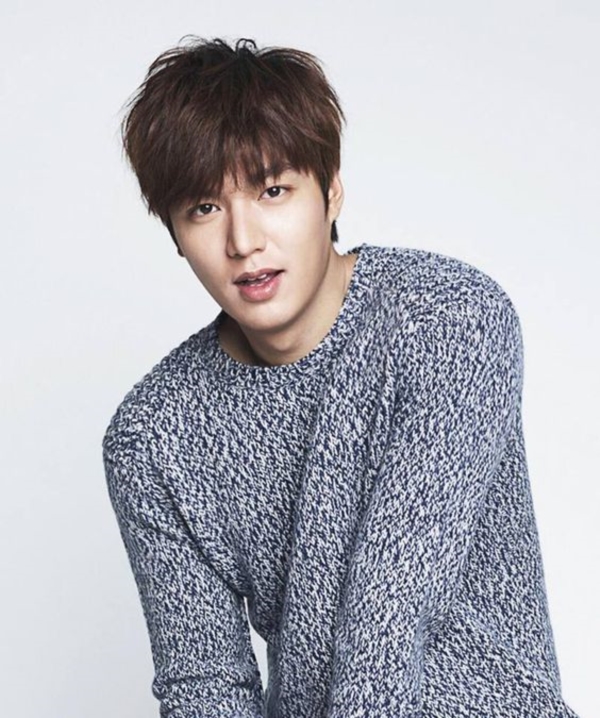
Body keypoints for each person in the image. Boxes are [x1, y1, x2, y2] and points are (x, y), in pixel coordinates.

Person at [102, 37, 579, 717]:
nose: (243, 241)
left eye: (273, 190)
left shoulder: (445, 319)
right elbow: (204, 686)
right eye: (204, 208)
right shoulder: (152, 437)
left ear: (331, 191)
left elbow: (391, 617)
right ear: (175, 233)